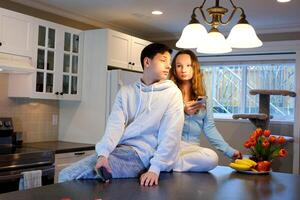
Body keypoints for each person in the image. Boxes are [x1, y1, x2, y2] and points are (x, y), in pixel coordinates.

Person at [59, 43, 184, 187]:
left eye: (169, 62)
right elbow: (114, 126)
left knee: (66, 176)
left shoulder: (172, 93)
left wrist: (155, 168)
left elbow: (171, 134)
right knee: (73, 179)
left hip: (141, 156)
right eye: (163, 60)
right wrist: (103, 154)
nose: (169, 66)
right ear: (147, 62)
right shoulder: (126, 92)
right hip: (120, 151)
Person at [169, 49, 242, 172]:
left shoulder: (204, 95)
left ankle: (171, 165)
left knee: (212, 158)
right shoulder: (169, 91)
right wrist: (183, 111)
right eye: (179, 66)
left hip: (192, 149)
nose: (183, 69)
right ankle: (170, 162)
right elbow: (161, 121)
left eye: (188, 65)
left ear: (195, 68)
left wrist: (230, 151)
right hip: (172, 145)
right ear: (174, 70)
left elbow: (209, 127)